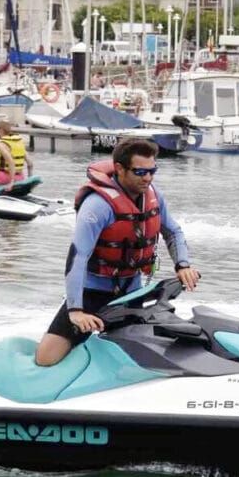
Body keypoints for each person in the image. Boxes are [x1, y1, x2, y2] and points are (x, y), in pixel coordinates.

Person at [35, 139, 200, 366]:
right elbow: (77, 257)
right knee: (46, 359)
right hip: (91, 293)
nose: (148, 178)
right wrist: (76, 311)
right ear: (120, 168)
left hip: (131, 292)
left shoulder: (152, 195)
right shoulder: (97, 205)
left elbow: (173, 232)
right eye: (140, 172)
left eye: (152, 171)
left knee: (134, 359)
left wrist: (183, 265)